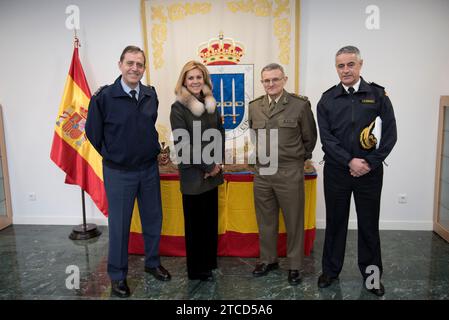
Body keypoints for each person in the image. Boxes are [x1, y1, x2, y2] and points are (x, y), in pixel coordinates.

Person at [85, 45, 171, 298]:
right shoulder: (104, 97)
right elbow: (93, 132)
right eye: (130, 63)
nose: (135, 68)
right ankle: (117, 276)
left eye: (140, 64)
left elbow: (148, 127)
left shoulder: (149, 94)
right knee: (120, 226)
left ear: (144, 68)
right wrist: (114, 154)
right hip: (119, 172)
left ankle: (153, 263)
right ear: (120, 65)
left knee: (153, 220)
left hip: (148, 170)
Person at [316, 46, 397, 297]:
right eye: (340, 65)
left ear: (360, 64)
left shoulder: (378, 95)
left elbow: (390, 136)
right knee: (335, 223)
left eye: (350, 64)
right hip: (337, 172)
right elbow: (327, 139)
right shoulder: (327, 98)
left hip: (370, 173)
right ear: (336, 68)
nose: (346, 70)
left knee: (369, 225)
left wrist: (369, 163)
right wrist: (350, 161)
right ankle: (330, 272)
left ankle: (372, 277)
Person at [248, 63, 317, 285]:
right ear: (262, 82)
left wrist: (296, 160)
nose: (271, 84)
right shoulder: (255, 106)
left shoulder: (300, 105)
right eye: (266, 80)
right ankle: (268, 259)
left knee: (294, 219)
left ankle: (295, 265)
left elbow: (310, 139)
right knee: (265, 219)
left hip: (289, 171)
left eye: (275, 79)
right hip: (263, 172)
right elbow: (253, 136)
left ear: (284, 80)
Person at [170, 61, 224, 281]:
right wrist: (209, 166)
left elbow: (220, 133)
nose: (195, 81)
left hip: (213, 172)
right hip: (194, 174)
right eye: (190, 77)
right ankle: (197, 270)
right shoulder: (178, 108)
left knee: (210, 221)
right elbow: (184, 145)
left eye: (198, 77)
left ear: (205, 80)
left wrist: (218, 163)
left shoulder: (211, 104)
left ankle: (209, 263)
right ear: (184, 80)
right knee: (195, 225)